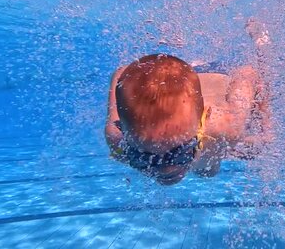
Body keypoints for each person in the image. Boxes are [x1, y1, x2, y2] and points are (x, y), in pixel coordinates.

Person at [104, 20, 273, 185]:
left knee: (250, 149)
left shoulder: (226, 127)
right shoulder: (117, 141)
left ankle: (261, 43)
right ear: (122, 130)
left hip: (217, 76)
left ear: (205, 119)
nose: (165, 169)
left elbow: (248, 74)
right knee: (206, 170)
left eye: (180, 153)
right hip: (187, 96)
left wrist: (265, 125)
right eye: (144, 156)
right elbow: (121, 73)